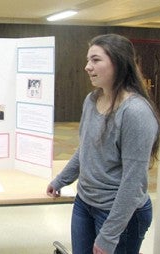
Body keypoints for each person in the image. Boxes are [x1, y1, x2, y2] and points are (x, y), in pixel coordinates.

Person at [46, 33, 160, 254]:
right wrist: (61, 180)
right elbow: (86, 149)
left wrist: (109, 234)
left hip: (120, 214)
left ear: (118, 62)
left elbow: (133, 180)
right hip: (85, 203)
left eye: (96, 60)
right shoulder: (91, 100)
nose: (88, 67)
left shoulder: (135, 112)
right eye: (88, 60)